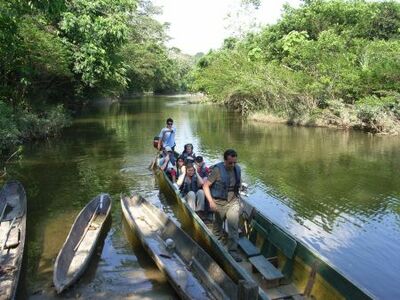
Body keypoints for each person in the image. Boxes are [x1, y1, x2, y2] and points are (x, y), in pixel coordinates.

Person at [202, 149, 242, 262]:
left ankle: (232, 252)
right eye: (230, 163)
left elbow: (237, 185)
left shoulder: (237, 169)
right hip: (219, 203)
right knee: (217, 228)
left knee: (233, 228)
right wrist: (211, 201)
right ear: (225, 160)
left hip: (233, 202)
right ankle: (217, 248)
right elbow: (205, 186)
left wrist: (239, 201)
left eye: (235, 162)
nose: (233, 165)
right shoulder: (217, 170)